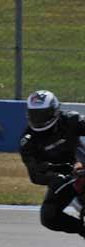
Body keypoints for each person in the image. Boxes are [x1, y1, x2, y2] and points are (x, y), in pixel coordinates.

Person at [20, 90, 85, 237]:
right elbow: (35, 174)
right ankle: (83, 230)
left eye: (43, 114)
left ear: (55, 111)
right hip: (61, 177)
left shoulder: (71, 119)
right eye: (35, 114)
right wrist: (57, 176)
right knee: (49, 218)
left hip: (82, 163)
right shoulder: (28, 142)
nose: (39, 119)